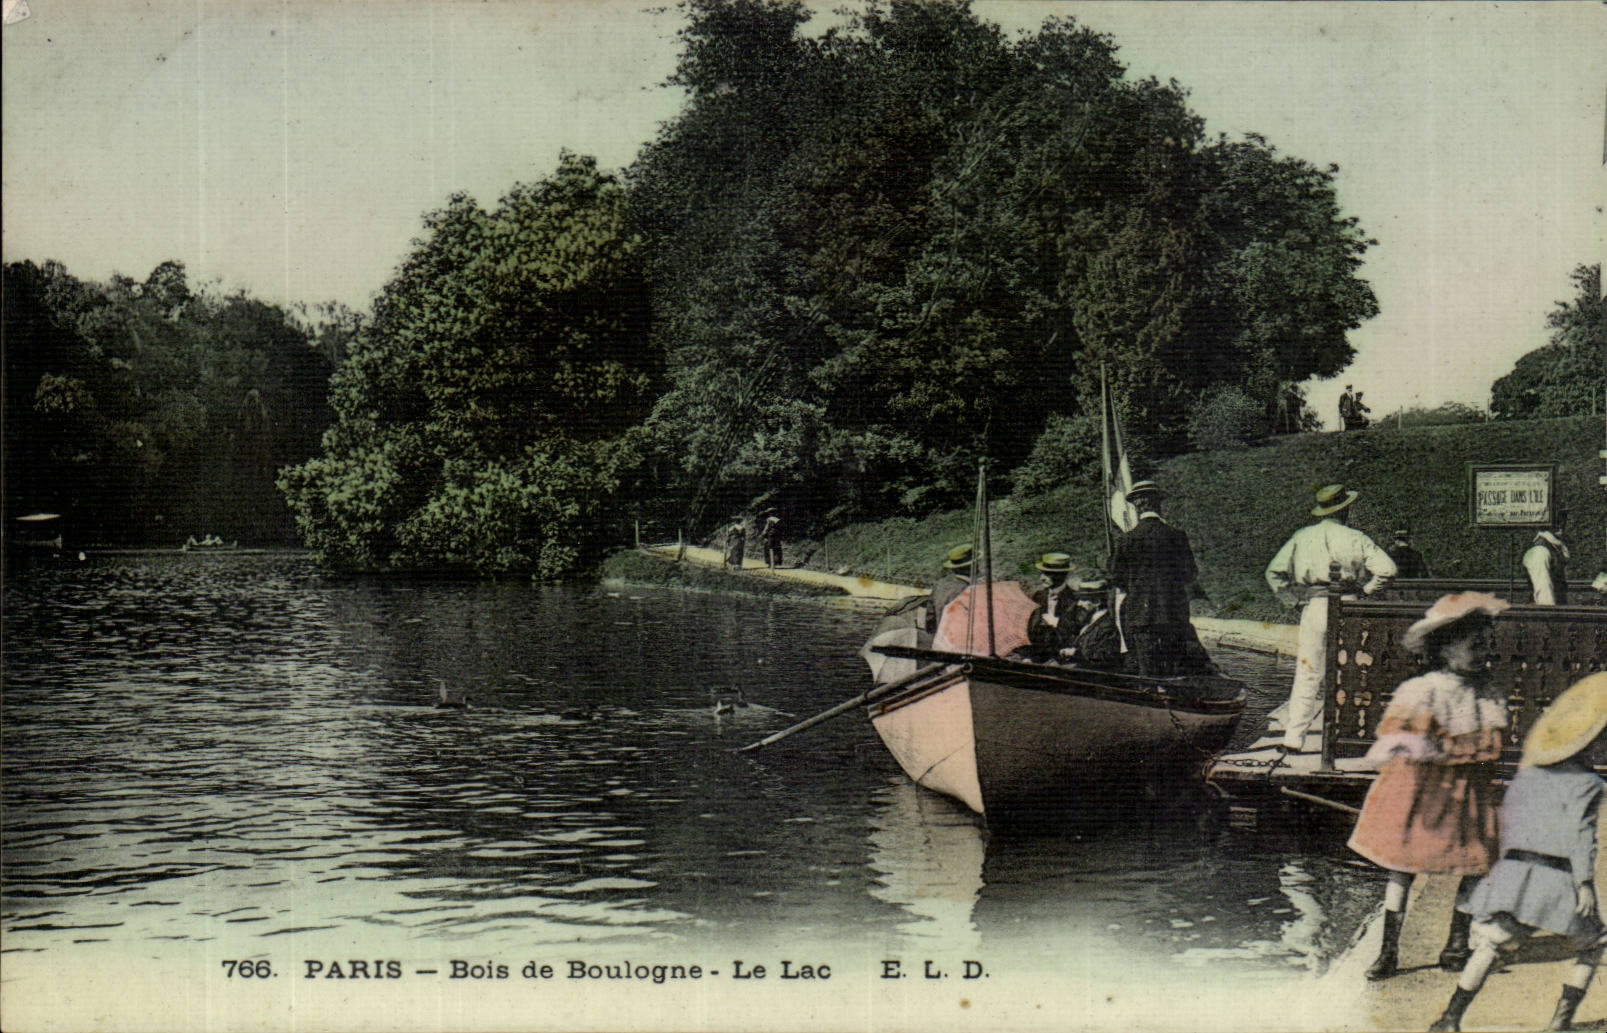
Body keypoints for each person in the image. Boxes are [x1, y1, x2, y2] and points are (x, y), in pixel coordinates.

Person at [1429, 672, 1607, 1033]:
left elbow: (1505, 822)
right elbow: (1581, 835)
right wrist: (1585, 883)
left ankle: (1450, 1018)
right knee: (1595, 942)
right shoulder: (1589, 784)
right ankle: (1560, 1021)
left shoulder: (1528, 775)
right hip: (1557, 879)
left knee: (1493, 946)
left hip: (1513, 874)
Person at [1349, 592, 1511, 982]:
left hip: (1466, 790)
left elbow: (1491, 743)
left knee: (1475, 862)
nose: (1480, 653)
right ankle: (1389, 950)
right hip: (1420, 790)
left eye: (1484, 645)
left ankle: (1457, 943)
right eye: (1471, 645)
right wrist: (1420, 743)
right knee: (1402, 867)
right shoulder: (1424, 689)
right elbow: (1395, 734)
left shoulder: (1487, 692)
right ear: (1443, 649)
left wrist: (1475, 753)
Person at [1263, 483, 1397, 753]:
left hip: (1315, 606)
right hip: (1348, 606)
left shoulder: (1302, 536)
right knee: (1351, 668)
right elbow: (1388, 569)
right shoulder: (1356, 537)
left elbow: (1274, 572)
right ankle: (1354, 734)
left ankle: (1293, 739)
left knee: (1308, 671)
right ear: (1346, 509)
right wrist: (1366, 590)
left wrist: (1293, 600)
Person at [1109, 481, 1200, 677]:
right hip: (1173, 612)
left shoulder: (1127, 540)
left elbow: (1117, 577)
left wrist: (1137, 586)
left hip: (1140, 612)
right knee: (1174, 667)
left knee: (1147, 668)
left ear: (1136, 506)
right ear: (1159, 504)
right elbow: (1190, 573)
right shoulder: (1176, 536)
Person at [1026, 552, 1079, 657]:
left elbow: (1076, 634)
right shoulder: (1038, 597)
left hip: (1063, 658)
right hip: (1038, 657)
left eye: (1047, 574)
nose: (1042, 578)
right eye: (1041, 573)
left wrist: (1056, 623)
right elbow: (1029, 630)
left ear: (1061, 575)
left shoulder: (1074, 599)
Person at [1064, 580, 1122, 667]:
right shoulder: (1088, 623)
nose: (1079, 603)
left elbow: (1106, 658)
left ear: (1097, 601)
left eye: (1083, 599)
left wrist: (1076, 653)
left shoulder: (1107, 626)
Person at [1524, 516, 1570, 606]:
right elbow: (1544, 590)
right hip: (1545, 611)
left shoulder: (1555, 546)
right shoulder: (1539, 551)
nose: (1561, 525)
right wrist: (1549, 614)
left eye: (1562, 521)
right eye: (1556, 521)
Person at [929, 545, 975, 629]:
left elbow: (930, 616)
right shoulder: (966, 589)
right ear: (970, 567)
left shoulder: (940, 584)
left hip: (941, 637)